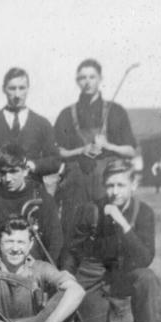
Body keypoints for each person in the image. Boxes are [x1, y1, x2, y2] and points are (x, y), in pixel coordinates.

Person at [62, 159, 159, 322]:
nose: (115, 192)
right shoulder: (91, 210)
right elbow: (72, 250)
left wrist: (122, 222)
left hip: (124, 279)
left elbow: (145, 258)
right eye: (110, 185)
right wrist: (66, 275)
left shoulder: (144, 213)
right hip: (94, 280)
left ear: (133, 185)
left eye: (121, 185)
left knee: (147, 278)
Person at [54, 59, 137, 243]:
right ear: (77, 81)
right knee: (71, 235)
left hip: (105, 186)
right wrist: (80, 150)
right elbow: (57, 152)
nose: (87, 81)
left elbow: (131, 151)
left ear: (100, 79)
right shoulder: (66, 114)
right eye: (83, 77)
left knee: (106, 234)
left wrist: (109, 146)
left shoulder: (116, 111)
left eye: (92, 77)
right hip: (75, 187)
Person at [0, 67, 60, 189]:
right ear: (4, 89)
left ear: (28, 89)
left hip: (32, 191)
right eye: (12, 88)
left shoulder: (42, 124)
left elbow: (55, 160)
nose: (17, 95)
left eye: (21, 88)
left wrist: (33, 165)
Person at [0, 144, 63, 264]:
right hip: (0, 267)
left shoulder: (41, 199)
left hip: (33, 268)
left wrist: (42, 272)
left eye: (13, 171)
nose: (7, 178)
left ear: (25, 171)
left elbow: (55, 241)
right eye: (3, 173)